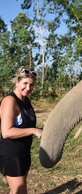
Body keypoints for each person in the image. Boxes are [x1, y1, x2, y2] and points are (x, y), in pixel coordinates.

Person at [0, 66, 43, 194]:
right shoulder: (10, 101)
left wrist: (41, 129)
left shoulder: (26, 101)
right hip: (12, 154)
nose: (28, 88)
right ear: (17, 81)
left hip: (24, 152)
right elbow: (6, 132)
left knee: (15, 192)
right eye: (25, 83)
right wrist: (34, 131)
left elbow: (25, 125)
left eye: (31, 85)